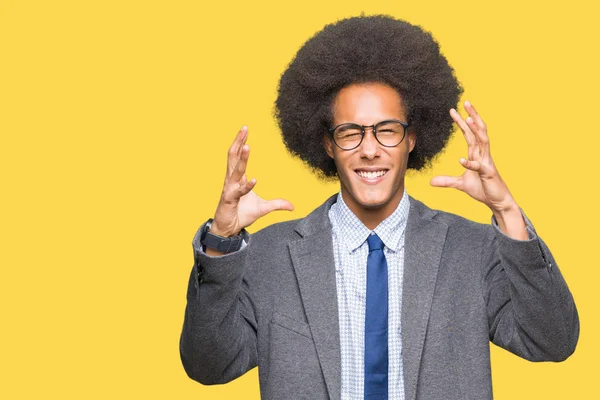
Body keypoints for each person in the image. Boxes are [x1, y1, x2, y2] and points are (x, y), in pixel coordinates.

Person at [179, 15, 579, 400]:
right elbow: (207, 365)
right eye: (350, 132)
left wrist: (507, 210)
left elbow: (552, 340)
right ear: (328, 145)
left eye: (388, 130)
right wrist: (220, 242)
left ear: (412, 139)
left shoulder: (473, 250)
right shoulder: (269, 255)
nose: (370, 150)